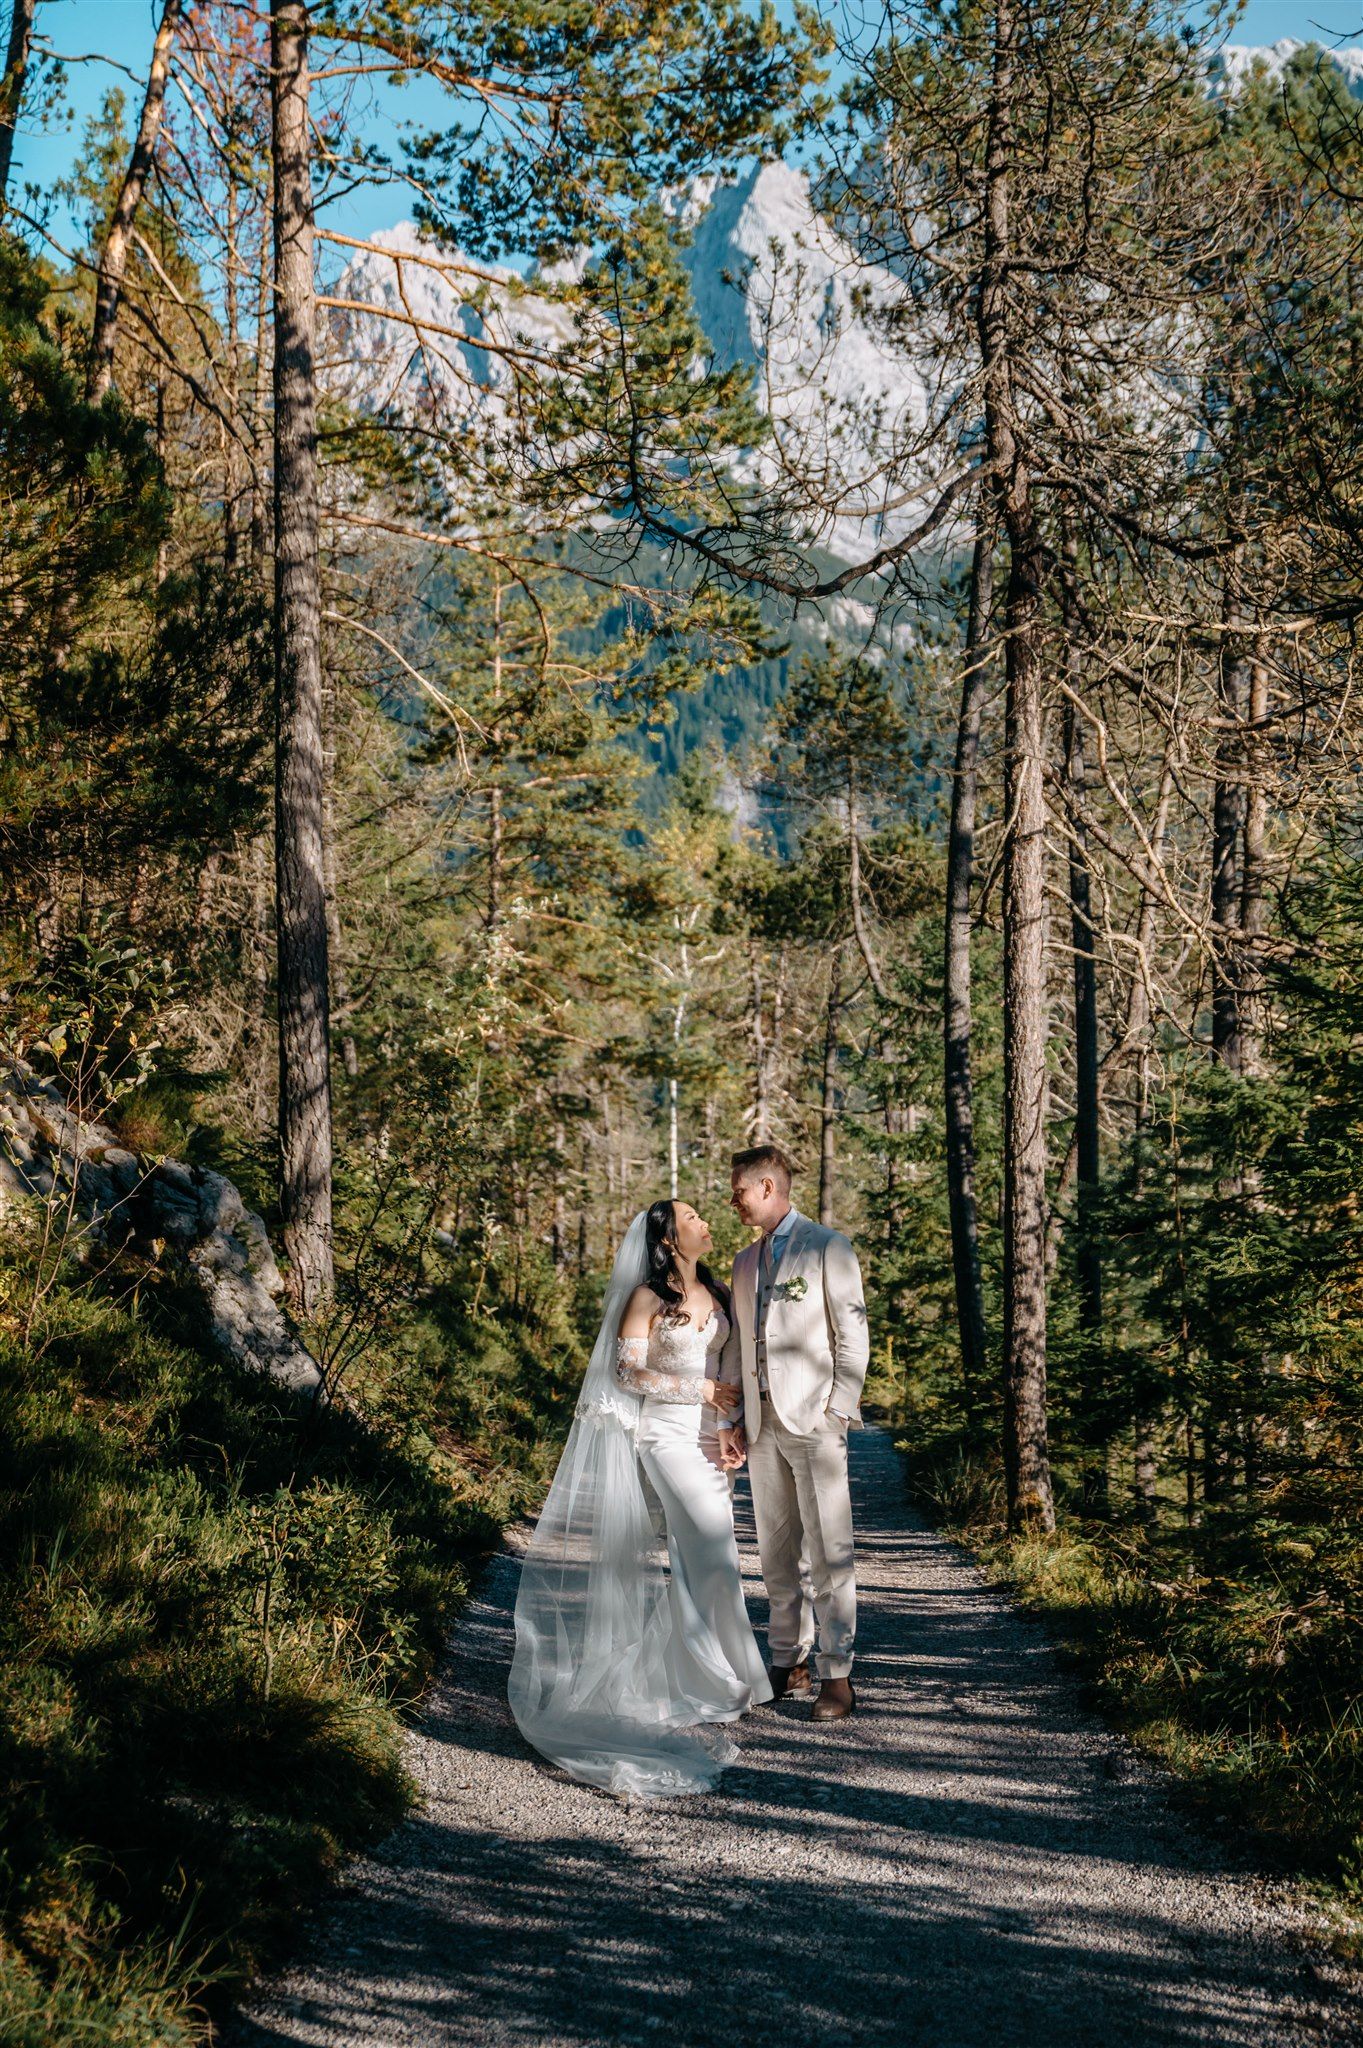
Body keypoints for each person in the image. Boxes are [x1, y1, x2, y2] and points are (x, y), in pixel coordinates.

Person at [508, 1201, 771, 1798]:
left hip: (708, 1436)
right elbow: (628, 1374)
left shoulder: (719, 1290)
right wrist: (697, 1388)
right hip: (665, 1436)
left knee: (713, 1552)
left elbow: (728, 1367)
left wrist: (729, 1426)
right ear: (668, 1236)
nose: (706, 1220)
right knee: (707, 1544)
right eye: (693, 1215)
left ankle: (717, 1674)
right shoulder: (647, 1298)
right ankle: (713, 1679)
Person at [717, 1144, 869, 1722]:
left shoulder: (828, 1247)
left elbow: (852, 1334)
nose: (733, 1200)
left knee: (830, 1551)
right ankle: (788, 1657)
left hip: (814, 1421)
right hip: (761, 1426)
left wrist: (838, 1409)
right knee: (777, 1551)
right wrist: (732, 1420)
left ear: (766, 1187)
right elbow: (736, 1345)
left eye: (738, 1191)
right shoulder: (744, 1261)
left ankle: (838, 1673)